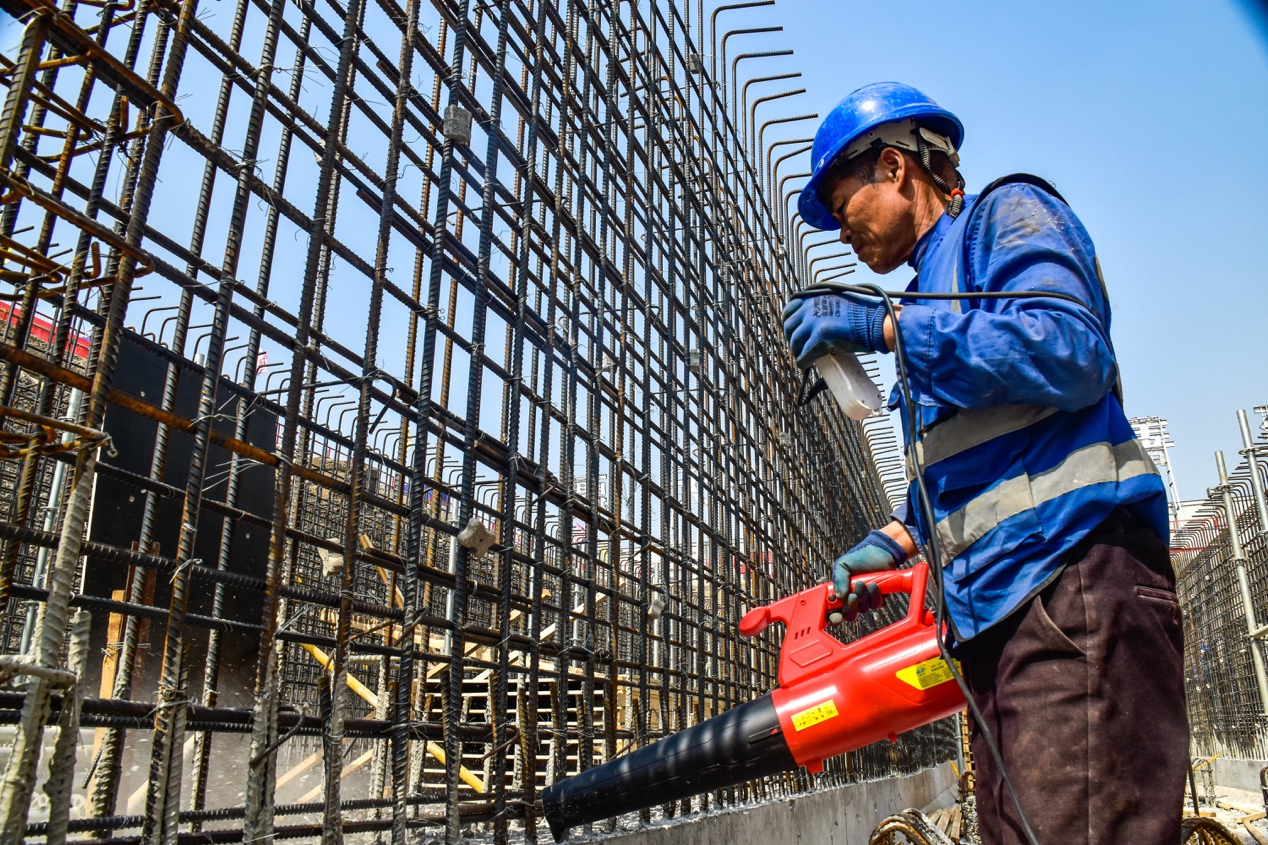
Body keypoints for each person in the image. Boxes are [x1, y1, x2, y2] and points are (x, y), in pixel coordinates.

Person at [782, 82, 1187, 845]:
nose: (843, 233)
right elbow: (976, 461)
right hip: (999, 620)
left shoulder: (1004, 219)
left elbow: (1071, 350)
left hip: (1071, 585)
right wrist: (896, 539)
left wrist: (889, 327)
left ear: (895, 167)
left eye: (844, 206)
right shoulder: (928, 297)